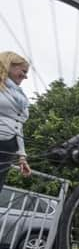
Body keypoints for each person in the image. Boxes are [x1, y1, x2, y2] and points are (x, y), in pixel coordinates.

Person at [0, 51, 32, 191]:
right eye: (23, 71)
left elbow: (18, 125)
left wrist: (22, 156)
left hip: (9, 148)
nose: (25, 76)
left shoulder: (18, 95)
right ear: (9, 65)